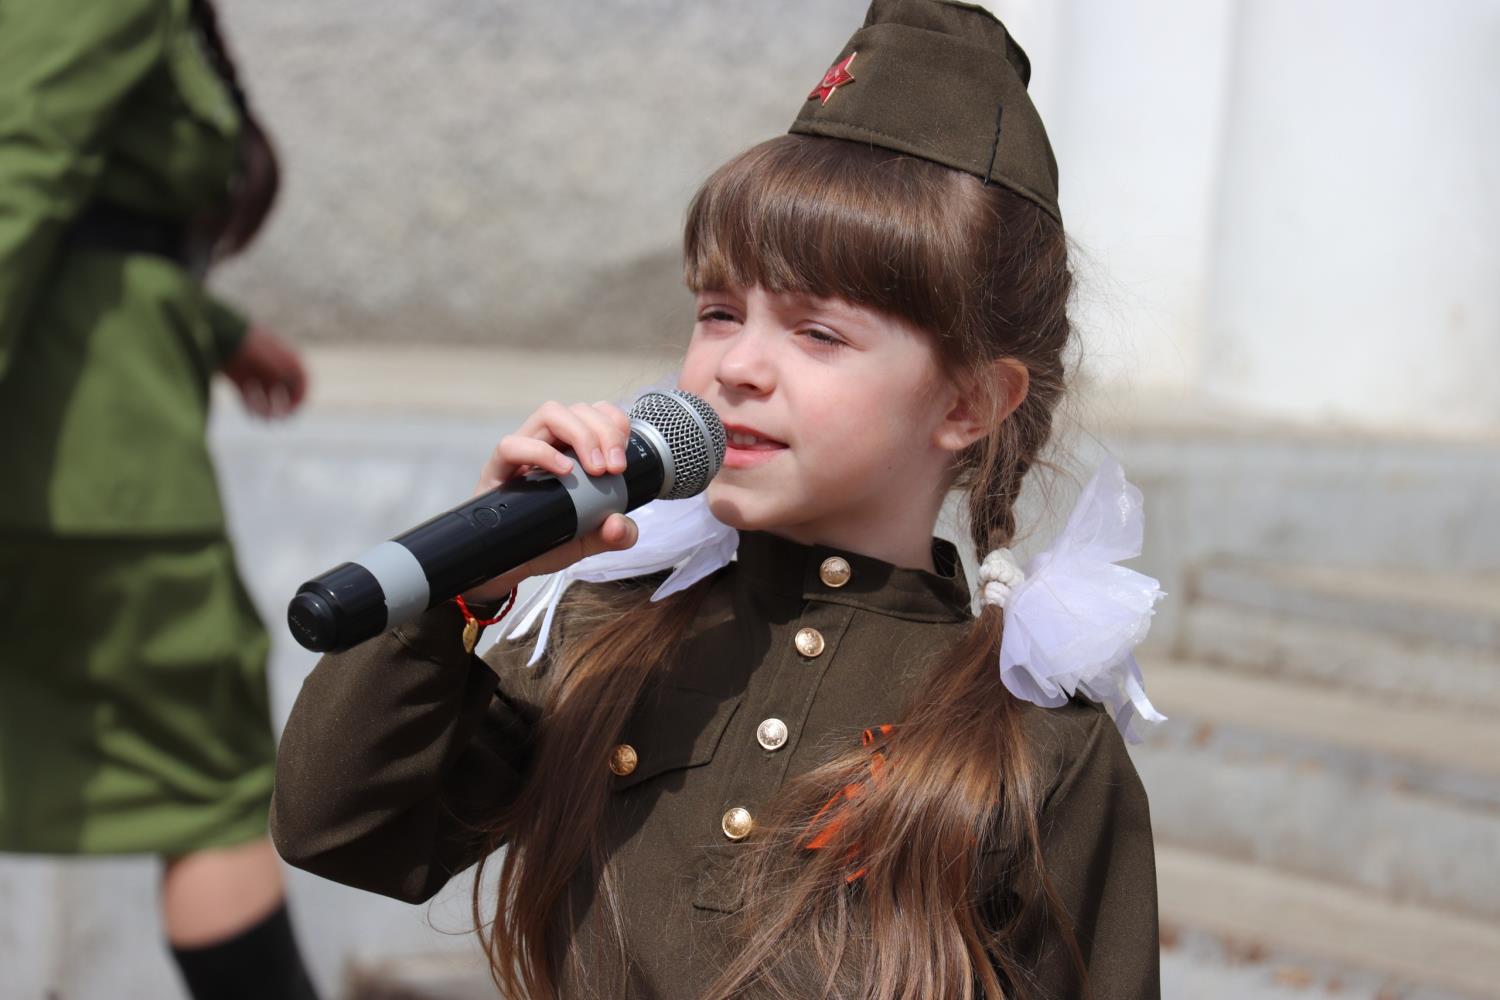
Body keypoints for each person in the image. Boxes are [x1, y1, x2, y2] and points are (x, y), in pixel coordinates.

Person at [272, 2, 1162, 997]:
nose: (737, 366)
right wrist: (462, 591)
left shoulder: (1032, 741)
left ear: (968, 403)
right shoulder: (613, 634)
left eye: (818, 333)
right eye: (719, 311)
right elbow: (340, 830)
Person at [0, 1, 318, 998]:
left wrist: (207, 323)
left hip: (80, 442)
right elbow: (15, 168)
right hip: (85, 473)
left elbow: (76, 209)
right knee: (206, 781)